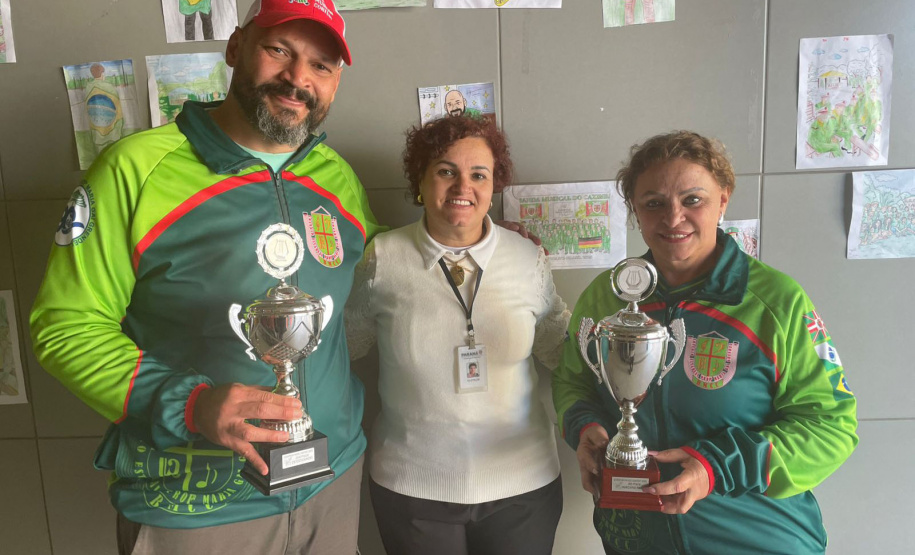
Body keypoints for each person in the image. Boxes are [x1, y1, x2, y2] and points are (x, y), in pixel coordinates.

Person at [30, 1, 384, 553]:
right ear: (237, 47)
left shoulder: (335, 175)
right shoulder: (135, 170)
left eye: (321, 65)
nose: (298, 79)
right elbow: (66, 326)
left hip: (331, 482)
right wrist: (190, 404)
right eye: (279, 51)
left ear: (336, 82)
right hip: (196, 506)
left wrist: (472, 240)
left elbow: (375, 265)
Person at [552, 131, 858, 555]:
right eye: (654, 203)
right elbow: (572, 381)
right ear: (635, 211)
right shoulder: (605, 298)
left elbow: (830, 427)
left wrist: (717, 466)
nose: (673, 218)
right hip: (636, 538)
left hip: (755, 539)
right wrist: (584, 427)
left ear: (723, 200)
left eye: (692, 199)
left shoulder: (776, 302)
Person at [345, 115, 570, 555]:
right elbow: (346, 348)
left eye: (478, 174)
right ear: (421, 182)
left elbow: (560, 349)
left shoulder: (527, 259)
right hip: (412, 489)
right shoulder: (382, 258)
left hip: (523, 486)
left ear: (493, 186)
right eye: (446, 171)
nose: (462, 186)